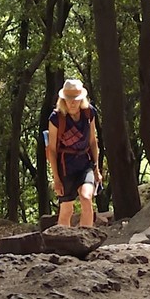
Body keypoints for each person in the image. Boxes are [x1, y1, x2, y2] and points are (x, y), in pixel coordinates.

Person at [47, 76, 101, 229]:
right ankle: (63, 242)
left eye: (76, 99)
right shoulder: (56, 118)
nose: (72, 102)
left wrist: (96, 168)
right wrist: (56, 178)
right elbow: (51, 149)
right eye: (69, 99)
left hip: (85, 162)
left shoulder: (89, 113)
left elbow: (92, 141)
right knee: (66, 208)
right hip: (66, 166)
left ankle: (87, 237)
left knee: (86, 197)